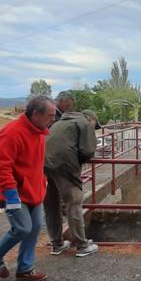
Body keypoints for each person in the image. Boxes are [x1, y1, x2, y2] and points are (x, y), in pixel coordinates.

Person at [0, 96, 55, 281]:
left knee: (35, 228)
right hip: (16, 193)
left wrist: (42, 181)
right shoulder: (12, 133)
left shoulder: (39, 132)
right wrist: (11, 195)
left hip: (34, 191)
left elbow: (35, 164)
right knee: (23, 228)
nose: (52, 120)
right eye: (50, 116)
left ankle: (25, 268)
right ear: (36, 114)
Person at [43, 99, 101, 257]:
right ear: (91, 119)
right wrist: (77, 162)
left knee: (52, 204)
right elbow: (88, 151)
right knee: (74, 202)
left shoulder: (59, 123)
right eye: (95, 126)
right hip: (65, 165)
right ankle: (82, 246)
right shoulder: (84, 123)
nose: (94, 129)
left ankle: (57, 244)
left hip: (44, 163)